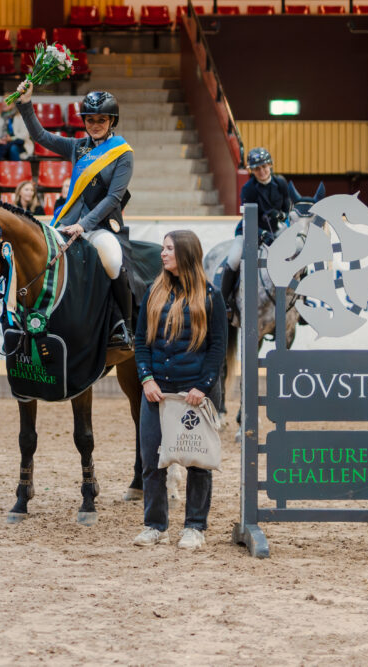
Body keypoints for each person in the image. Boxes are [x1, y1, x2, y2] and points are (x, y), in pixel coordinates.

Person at [16, 84, 136, 344]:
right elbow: (41, 137)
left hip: (101, 225)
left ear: (111, 120)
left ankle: (123, 326)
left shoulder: (122, 154)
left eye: (101, 120)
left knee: (113, 260)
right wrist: (25, 104)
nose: (95, 125)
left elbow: (113, 197)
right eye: (90, 120)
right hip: (68, 222)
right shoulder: (77, 147)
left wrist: (85, 225)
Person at [132, 230, 226, 550]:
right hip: (158, 393)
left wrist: (203, 387)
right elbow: (141, 342)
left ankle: (195, 526)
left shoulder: (211, 296)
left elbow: (217, 349)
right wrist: (146, 378)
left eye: (169, 249)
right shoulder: (152, 292)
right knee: (151, 460)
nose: (163, 254)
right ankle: (155, 525)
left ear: (185, 253)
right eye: (163, 248)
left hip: (194, 395)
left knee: (198, 462)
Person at [218, 146, 293, 314]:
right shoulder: (248, 189)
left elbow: (287, 209)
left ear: (270, 165)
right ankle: (224, 301)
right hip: (249, 230)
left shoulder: (280, 182)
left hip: (275, 230)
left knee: (297, 251)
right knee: (234, 259)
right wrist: (262, 234)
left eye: (265, 166)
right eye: (257, 169)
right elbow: (248, 221)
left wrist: (282, 217)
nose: (262, 171)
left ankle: (302, 300)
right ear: (252, 170)